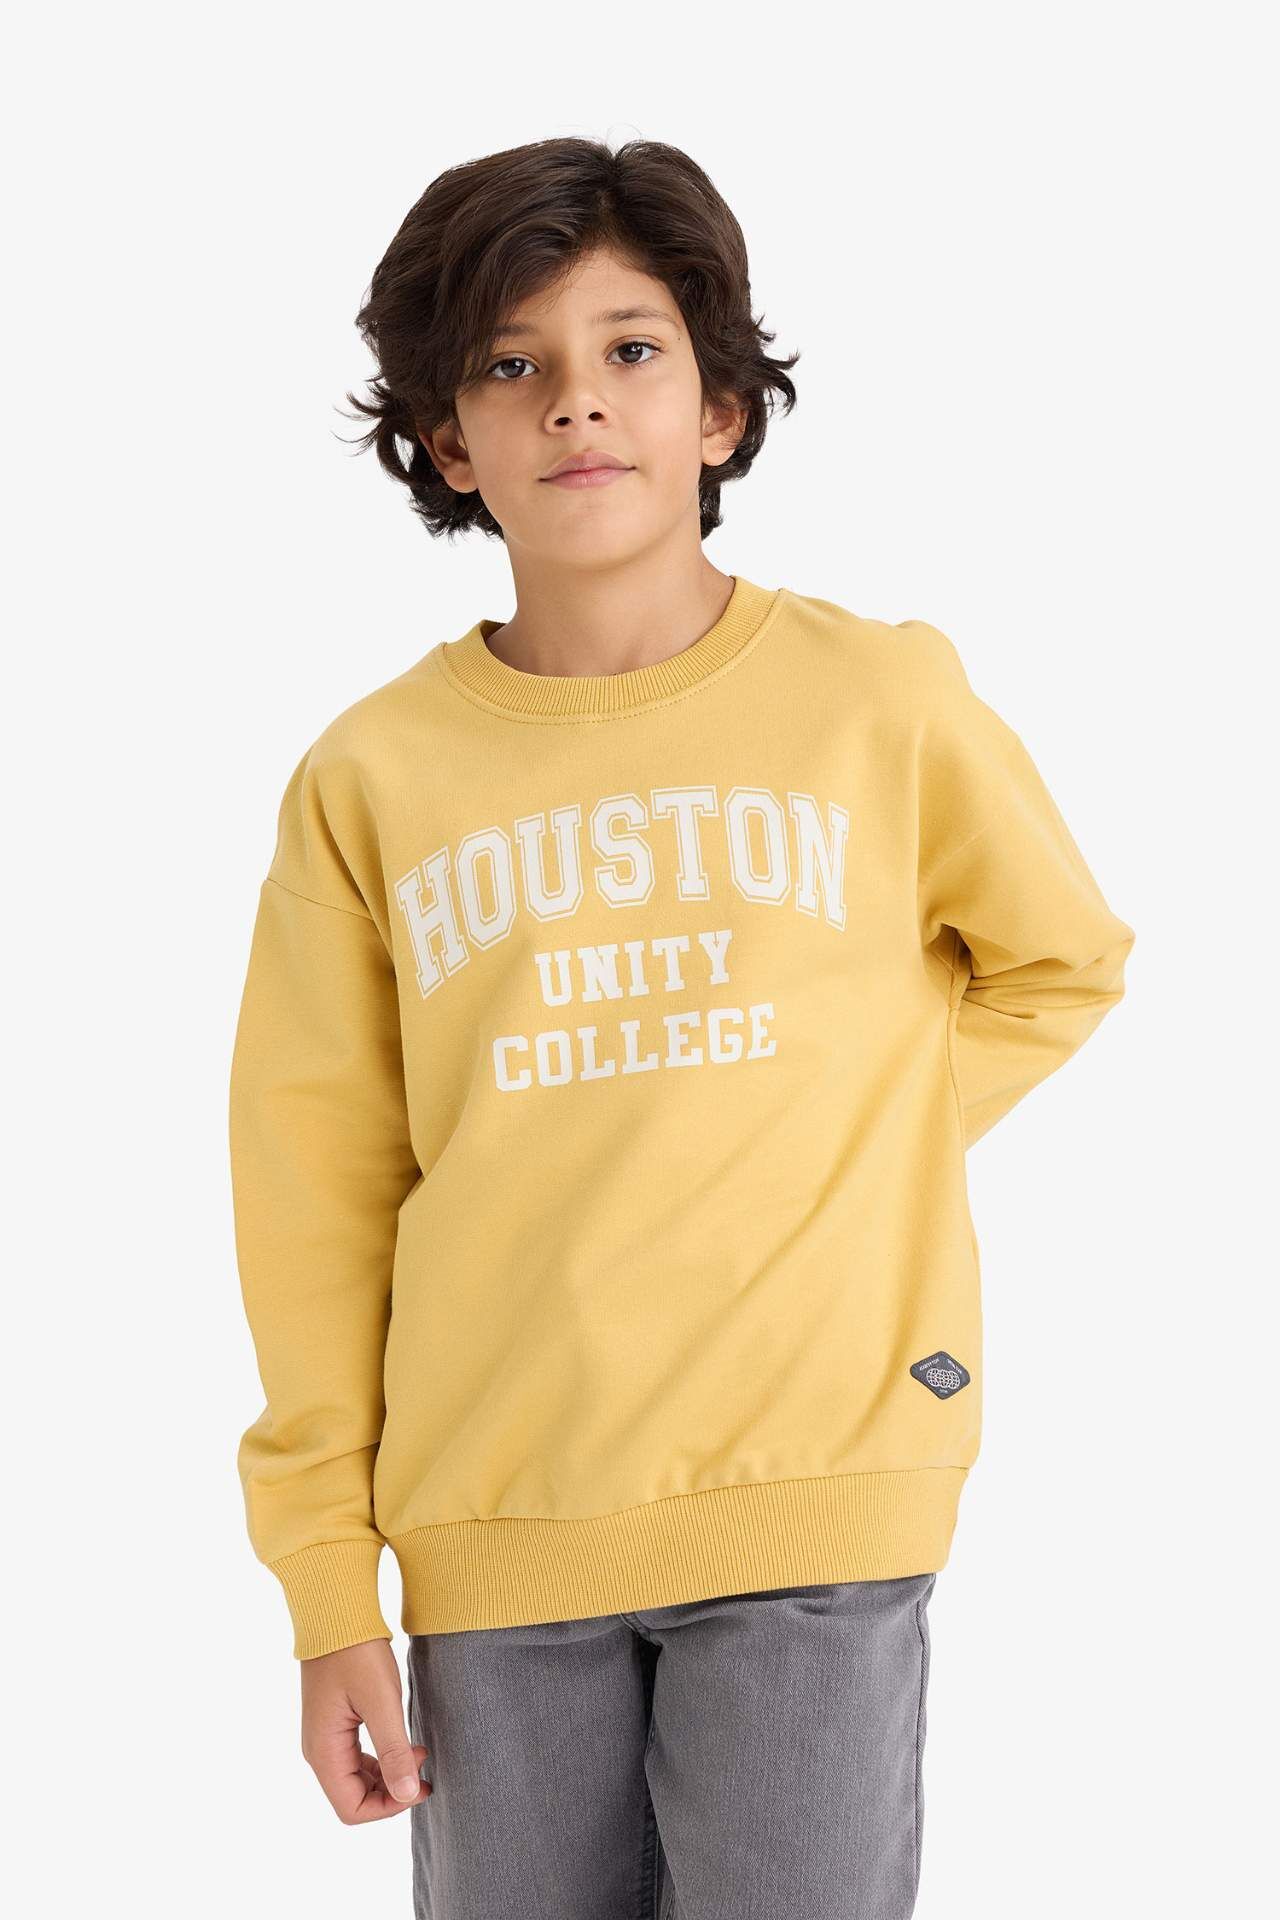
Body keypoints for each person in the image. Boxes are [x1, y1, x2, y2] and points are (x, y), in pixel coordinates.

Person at [228, 134, 1135, 1919]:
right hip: (500, 1521)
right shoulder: (372, 778)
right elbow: (315, 1197)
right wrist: (328, 1590)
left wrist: (821, 1132)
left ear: (720, 407)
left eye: (630, 349)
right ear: (446, 440)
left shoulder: (879, 700)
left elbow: (1060, 964)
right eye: (512, 364)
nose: (576, 401)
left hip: (819, 1485)